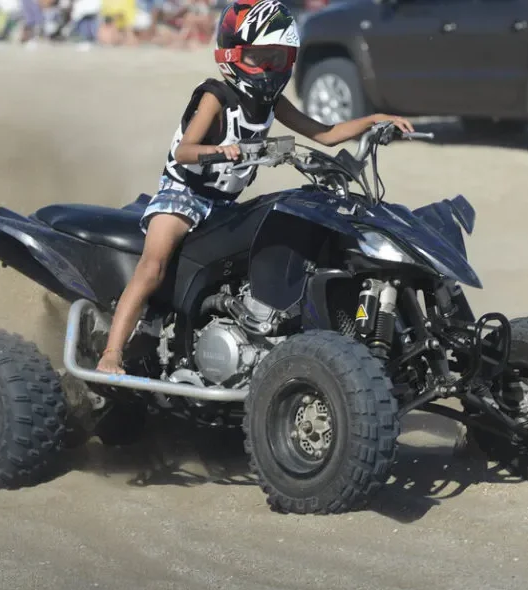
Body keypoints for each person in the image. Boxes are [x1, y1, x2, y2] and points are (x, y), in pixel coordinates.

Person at [96, 0, 413, 374]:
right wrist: (218, 151)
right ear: (235, 54)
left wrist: (374, 120)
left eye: (280, 59)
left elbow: (324, 134)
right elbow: (184, 152)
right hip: (184, 196)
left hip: (225, 206)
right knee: (152, 267)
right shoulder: (216, 96)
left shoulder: (271, 102)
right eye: (264, 57)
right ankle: (111, 354)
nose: (271, 69)